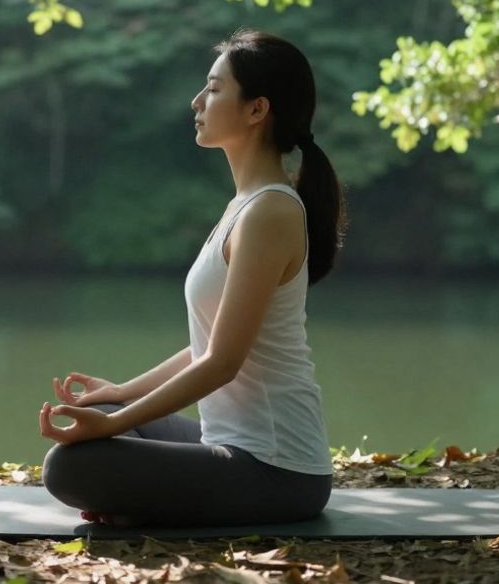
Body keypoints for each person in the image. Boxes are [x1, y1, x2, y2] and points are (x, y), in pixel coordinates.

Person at [37, 28, 348, 528]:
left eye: (214, 88)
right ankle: (143, 496)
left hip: (279, 472)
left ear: (256, 109)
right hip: (228, 449)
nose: (196, 100)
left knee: (70, 467)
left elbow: (221, 363)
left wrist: (118, 419)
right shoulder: (245, 206)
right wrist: (123, 392)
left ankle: (140, 503)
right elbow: (210, 343)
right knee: (106, 426)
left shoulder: (270, 212)